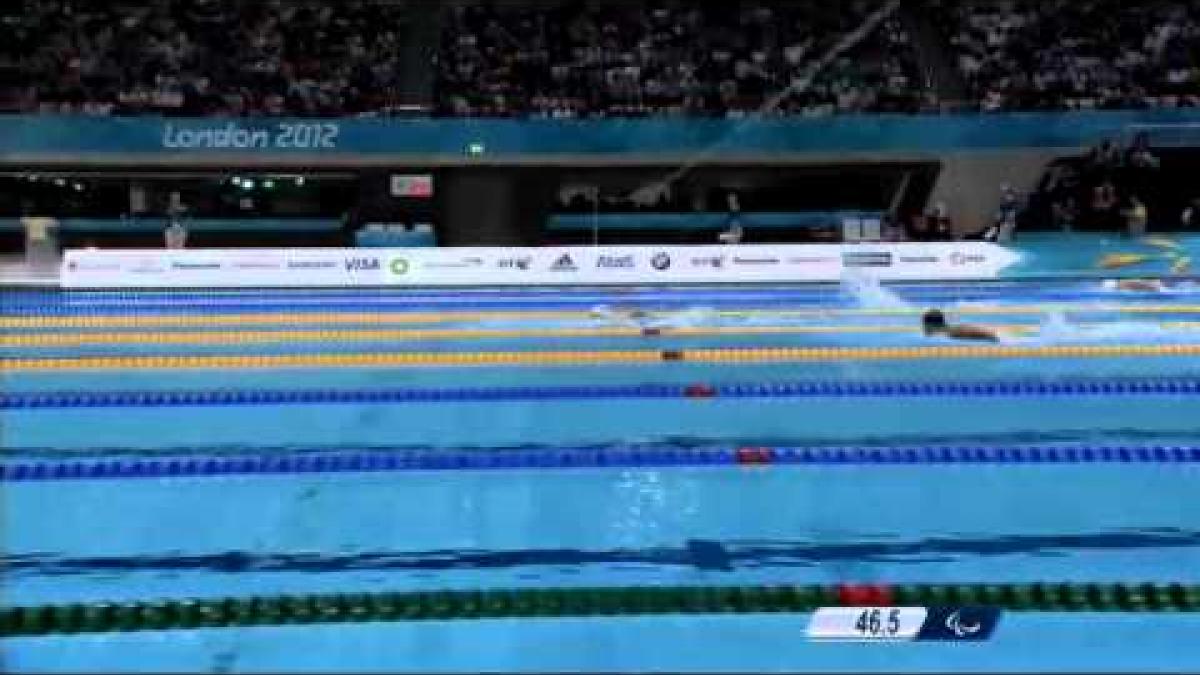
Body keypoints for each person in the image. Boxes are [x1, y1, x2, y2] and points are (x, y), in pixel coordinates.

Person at [921, 309, 1000, 342]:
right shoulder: (950, 330)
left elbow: (987, 335)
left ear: (931, 325)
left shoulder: (951, 333)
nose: (923, 327)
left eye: (924, 324)